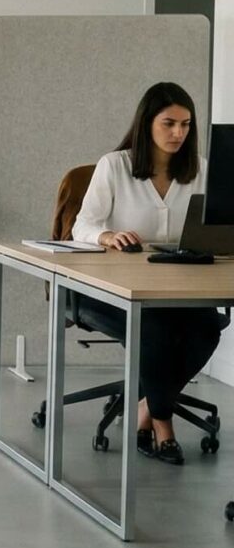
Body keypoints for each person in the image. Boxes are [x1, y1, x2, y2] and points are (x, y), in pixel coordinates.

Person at [70, 81, 221, 466]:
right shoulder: (115, 166)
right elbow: (81, 227)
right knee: (154, 328)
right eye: (169, 123)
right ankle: (163, 421)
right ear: (146, 123)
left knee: (206, 328)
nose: (178, 133)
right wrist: (107, 234)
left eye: (186, 125)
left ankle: (145, 408)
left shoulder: (201, 170)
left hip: (181, 289)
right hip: (117, 289)